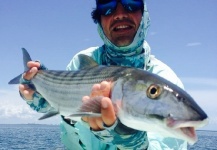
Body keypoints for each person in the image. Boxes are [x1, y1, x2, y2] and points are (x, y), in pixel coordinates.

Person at [19, 0, 188, 149]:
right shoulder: (82, 60)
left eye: (131, 3)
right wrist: (40, 91)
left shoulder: (166, 79)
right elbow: (65, 107)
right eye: (107, 6)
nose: (120, 14)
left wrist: (131, 141)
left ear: (144, 14)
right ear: (99, 19)